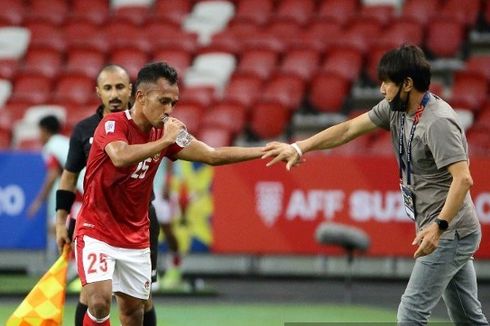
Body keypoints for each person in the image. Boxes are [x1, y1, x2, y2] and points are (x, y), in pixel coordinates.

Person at [262, 44, 488, 325]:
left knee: (410, 313)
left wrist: (438, 227)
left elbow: (463, 179)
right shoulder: (396, 109)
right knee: (468, 319)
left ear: (407, 84)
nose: (381, 89)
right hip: (443, 228)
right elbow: (348, 129)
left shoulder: (438, 122)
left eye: (387, 82)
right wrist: (299, 147)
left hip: (450, 231)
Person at [56, 61, 264, 325]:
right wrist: (166, 141)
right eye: (163, 101)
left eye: (173, 103)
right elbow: (120, 156)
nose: (169, 110)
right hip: (96, 229)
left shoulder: (165, 130)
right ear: (141, 97)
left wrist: (265, 151)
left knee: (134, 311)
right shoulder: (112, 124)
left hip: (135, 235)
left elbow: (212, 155)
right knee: (97, 300)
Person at [54, 65, 159, 326]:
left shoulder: (145, 124)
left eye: (120, 87)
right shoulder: (84, 130)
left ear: (131, 91)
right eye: (108, 88)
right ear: (98, 92)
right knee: (91, 296)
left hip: (139, 221)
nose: (114, 94)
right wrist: (60, 222)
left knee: (141, 301)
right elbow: (68, 176)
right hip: (96, 221)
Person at [28, 115, 69, 264]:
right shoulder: (65, 142)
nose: (39, 135)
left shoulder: (52, 147)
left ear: (45, 130)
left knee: (57, 227)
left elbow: (52, 175)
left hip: (66, 193)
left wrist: (38, 201)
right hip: (82, 191)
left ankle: (64, 266)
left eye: (39, 131)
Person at [152, 160, 184, 290]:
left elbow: (170, 155)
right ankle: (152, 273)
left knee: (168, 231)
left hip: (163, 188)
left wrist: (168, 182)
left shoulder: (164, 138)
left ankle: (175, 267)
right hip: (147, 186)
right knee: (149, 231)